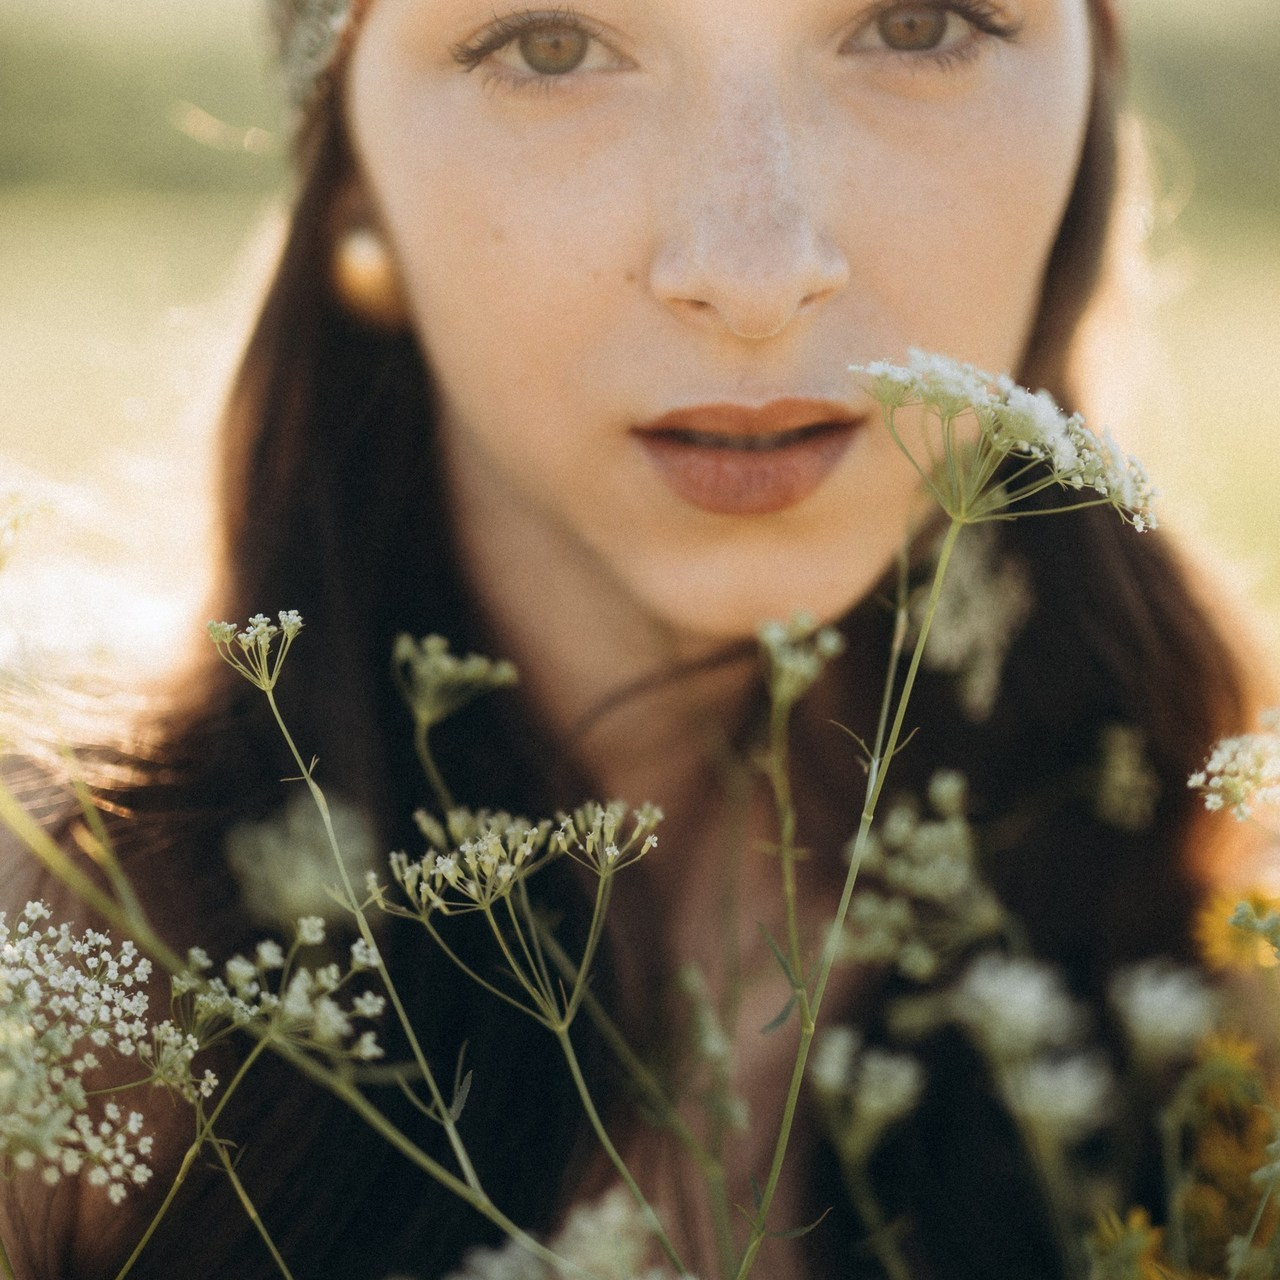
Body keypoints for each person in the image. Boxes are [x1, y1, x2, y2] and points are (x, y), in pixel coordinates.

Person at [0, 1, 1256, 1277]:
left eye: (914, 22)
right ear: (348, 177)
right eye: (548, 44)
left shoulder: (1238, 982)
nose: (755, 272)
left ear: (1089, 109)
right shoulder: (52, 973)